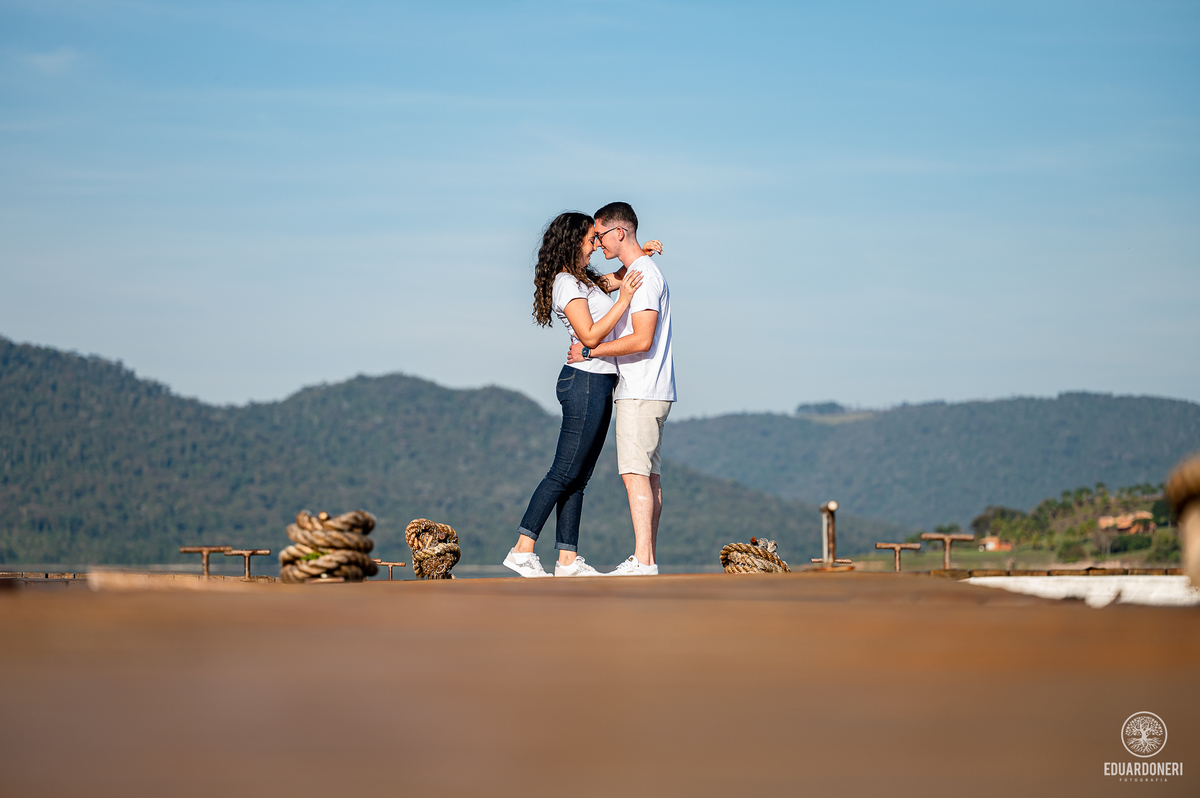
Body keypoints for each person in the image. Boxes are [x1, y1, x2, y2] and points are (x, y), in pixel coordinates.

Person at [502, 211, 661, 577]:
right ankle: (522, 549)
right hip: (584, 381)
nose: (597, 244)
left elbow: (616, 278)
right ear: (574, 241)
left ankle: (567, 559)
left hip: (599, 381)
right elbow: (589, 336)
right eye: (592, 239)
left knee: (579, 477)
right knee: (563, 472)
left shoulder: (583, 281)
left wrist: (641, 255)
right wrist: (624, 301)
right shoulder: (565, 284)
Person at [567, 202, 674, 576]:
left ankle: (643, 560)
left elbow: (642, 339)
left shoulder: (643, 276)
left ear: (619, 232)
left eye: (600, 235)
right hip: (655, 389)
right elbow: (605, 283)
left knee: (634, 474)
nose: (597, 243)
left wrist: (591, 349)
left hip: (640, 390)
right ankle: (648, 557)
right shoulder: (639, 270)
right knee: (649, 475)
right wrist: (639, 253)